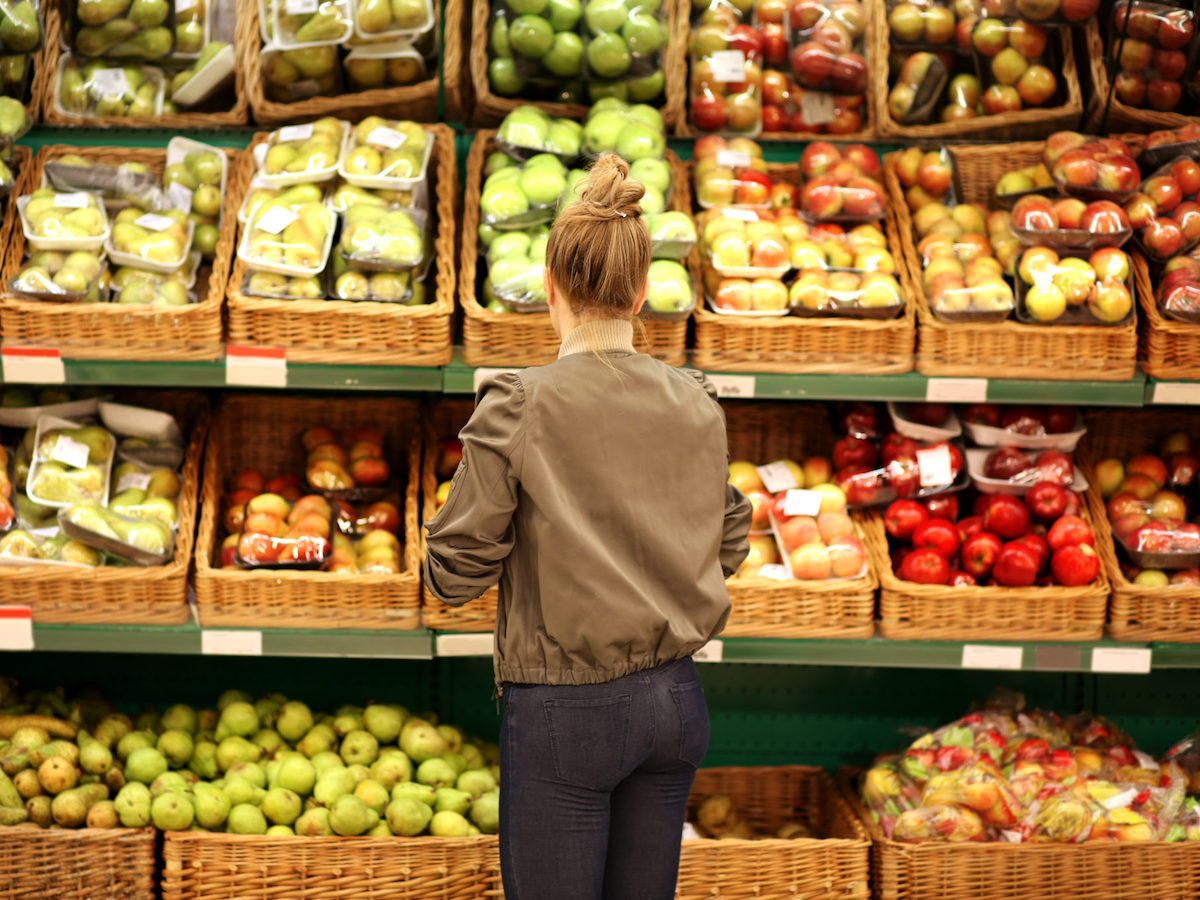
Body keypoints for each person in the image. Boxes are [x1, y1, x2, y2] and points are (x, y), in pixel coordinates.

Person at [424, 153, 752, 900]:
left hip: (565, 713)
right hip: (676, 701)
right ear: (642, 292)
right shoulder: (695, 399)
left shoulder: (519, 404)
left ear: (550, 289)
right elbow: (728, 539)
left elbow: (456, 574)